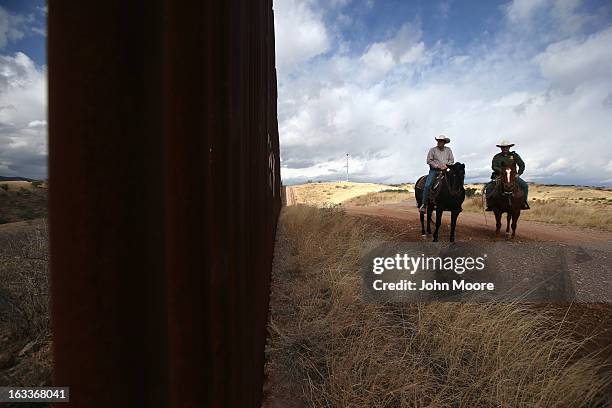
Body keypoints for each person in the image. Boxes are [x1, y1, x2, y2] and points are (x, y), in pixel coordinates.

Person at [485, 140, 529, 210]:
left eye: (506, 147)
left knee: (525, 186)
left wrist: (518, 173)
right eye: (503, 147)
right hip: (499, 175)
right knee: (489, 188)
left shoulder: (514, 155)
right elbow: (494, 166)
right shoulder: (497, 157)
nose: (505, 149)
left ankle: (524, 203)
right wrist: (502, 171)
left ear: (509, 147)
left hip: (512, 176)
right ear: (501, 148)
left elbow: (522, 164)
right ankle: (489, 204)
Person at [419, 135, 454, 213]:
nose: (439, 142)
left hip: (445, 170)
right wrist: (437, 166)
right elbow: (429, 160)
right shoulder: (433, 150)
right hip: (434, 171)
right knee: (427, 185)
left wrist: (446, 165)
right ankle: (424, 204)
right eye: (438, 141)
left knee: (453, 183)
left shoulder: (448, 150)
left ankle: (453, 203)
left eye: (441, 141)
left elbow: (451, 160)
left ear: (444, 142)